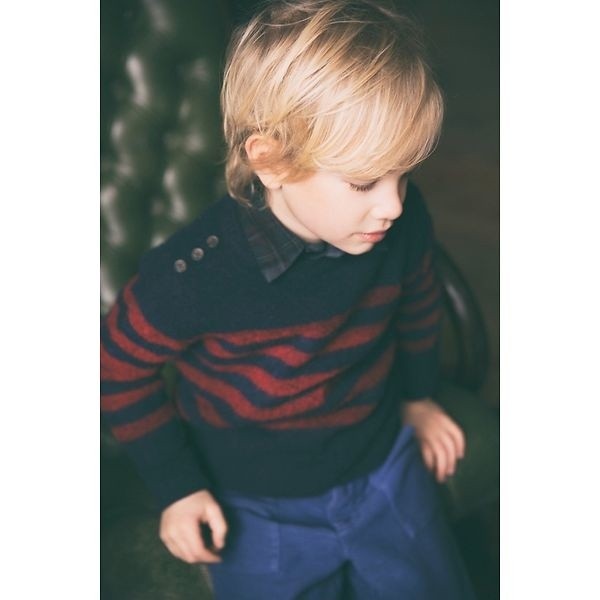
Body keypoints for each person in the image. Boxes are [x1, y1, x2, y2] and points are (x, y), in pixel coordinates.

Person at [101, 1, 476, 597]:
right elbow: (118, 369)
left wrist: (419, 397)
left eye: (404, 175)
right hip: (256, 505)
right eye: (364, 182)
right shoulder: (191, 275)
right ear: (271, 161)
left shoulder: (401, 224)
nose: (394, 206)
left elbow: (420, 304)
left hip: (383, 465)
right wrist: (178, 487)